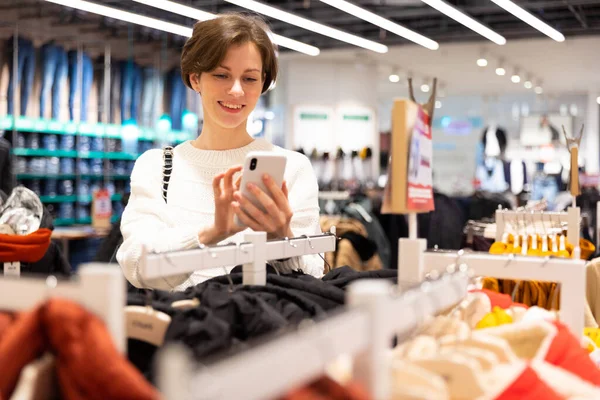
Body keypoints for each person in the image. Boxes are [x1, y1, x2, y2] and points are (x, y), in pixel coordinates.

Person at [117, 14, 323, 290]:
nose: (236, 90)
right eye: (221, 75)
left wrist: (281, 237)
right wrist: (211, 233)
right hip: (180, 327)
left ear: (262, 84)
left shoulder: (292, 167)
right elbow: (136, 267)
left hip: (266, 329)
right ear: (195, 79)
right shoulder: (157, 167)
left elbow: (315, 276)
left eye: (249, 78)